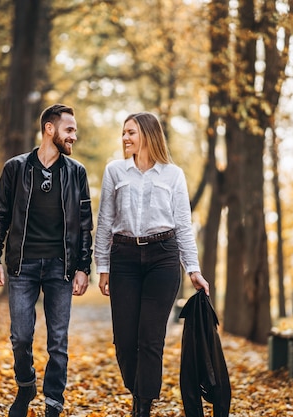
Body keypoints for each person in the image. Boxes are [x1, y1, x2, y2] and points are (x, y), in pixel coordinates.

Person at [94, 111, 210, 417]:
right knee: (124, 341)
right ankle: (139, 390)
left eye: (131, 132)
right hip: (124, 259)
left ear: (148, 134)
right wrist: (102, 267)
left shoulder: (173, 175)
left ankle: (142, 406)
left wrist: (193, 270)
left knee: (150, 338)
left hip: (163, 257)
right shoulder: (115, 171)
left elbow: (184, 225)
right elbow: (105, 222)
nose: (126, 138)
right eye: (123, 133)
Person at [0, 104, 93, 417]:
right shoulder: (16, 168)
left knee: (58, 341)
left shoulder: (76, 173)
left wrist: (83, 267)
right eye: (69, 129)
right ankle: (26, 384)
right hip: (23, 266)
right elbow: (0, 215)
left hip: (61, 267)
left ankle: (53, 401)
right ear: (50, 129)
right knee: (21, 336)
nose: (75, 135)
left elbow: (85, 224)